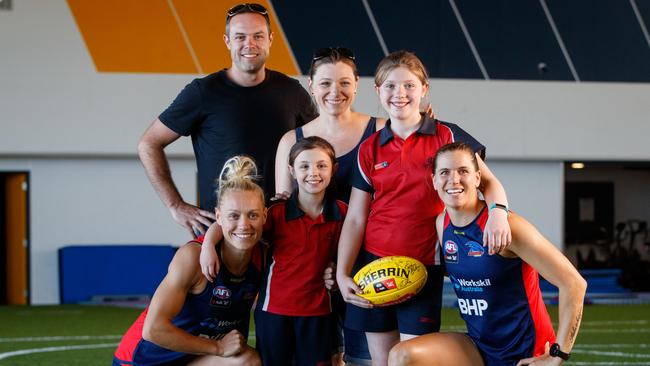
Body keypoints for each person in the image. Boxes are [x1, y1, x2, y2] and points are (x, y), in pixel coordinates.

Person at [336, 50, 511, 366]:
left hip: (423, 268)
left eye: (408, 86)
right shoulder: (369, 148)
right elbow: (355, 218)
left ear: (424, 89)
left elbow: (491, 183)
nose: (399, 94)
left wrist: (499, 213)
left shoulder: (446, 135)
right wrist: (342, 271)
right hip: (374, 268)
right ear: (377, 91)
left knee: (412, 360)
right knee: (382, 362)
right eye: (389, 86)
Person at [388, 142, 587, 366]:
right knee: (401, 356)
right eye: (445, 172)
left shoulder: (508, 227)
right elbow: (468, 268)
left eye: (463, 171)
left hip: (526, 353)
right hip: (479, 347)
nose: (454, 180)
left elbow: (574, 284)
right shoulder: (442, 224)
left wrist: (557, 356)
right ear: (434, 180)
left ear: (477, 178)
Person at [138, 3, 317, 238]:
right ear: (227, 41)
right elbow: (148, 143)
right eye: (240, 36)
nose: (249, 44)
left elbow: (321, 147)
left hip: (281, 233)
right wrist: (175, 205)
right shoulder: (203, 92)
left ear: (270, 39)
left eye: (258, 36)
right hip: (221, 234)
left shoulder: (292, 91)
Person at [273, 46, 385, 365]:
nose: (335, 92)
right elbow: (286, 217)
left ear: (357, 84)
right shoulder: (291, 141)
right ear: (311, 85)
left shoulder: (381, 131)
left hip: (366, 266)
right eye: (325, 83)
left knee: (366, 359)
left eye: (344, 83)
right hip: (313, 274)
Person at [201, 136, 346, 365]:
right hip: (274, 312)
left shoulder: (342, 213)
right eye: (304, 166)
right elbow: (235, 225)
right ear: (291, 170)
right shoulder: (276, 212)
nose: (313, 172)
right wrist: (208, 245)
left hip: (318, 312)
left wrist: (337, 270)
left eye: (321, 165)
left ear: (333, 169)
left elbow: (348, 254)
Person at [113, 156, 267, 366]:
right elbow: (153, 330)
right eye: (233, 216)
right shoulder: (193, 258)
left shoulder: (264, 256)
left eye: (253, 215)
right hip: (143, 359)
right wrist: (218, 347)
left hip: (195, 357)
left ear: (265, 216)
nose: (244, 225)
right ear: (218, 217)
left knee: (247, 361)